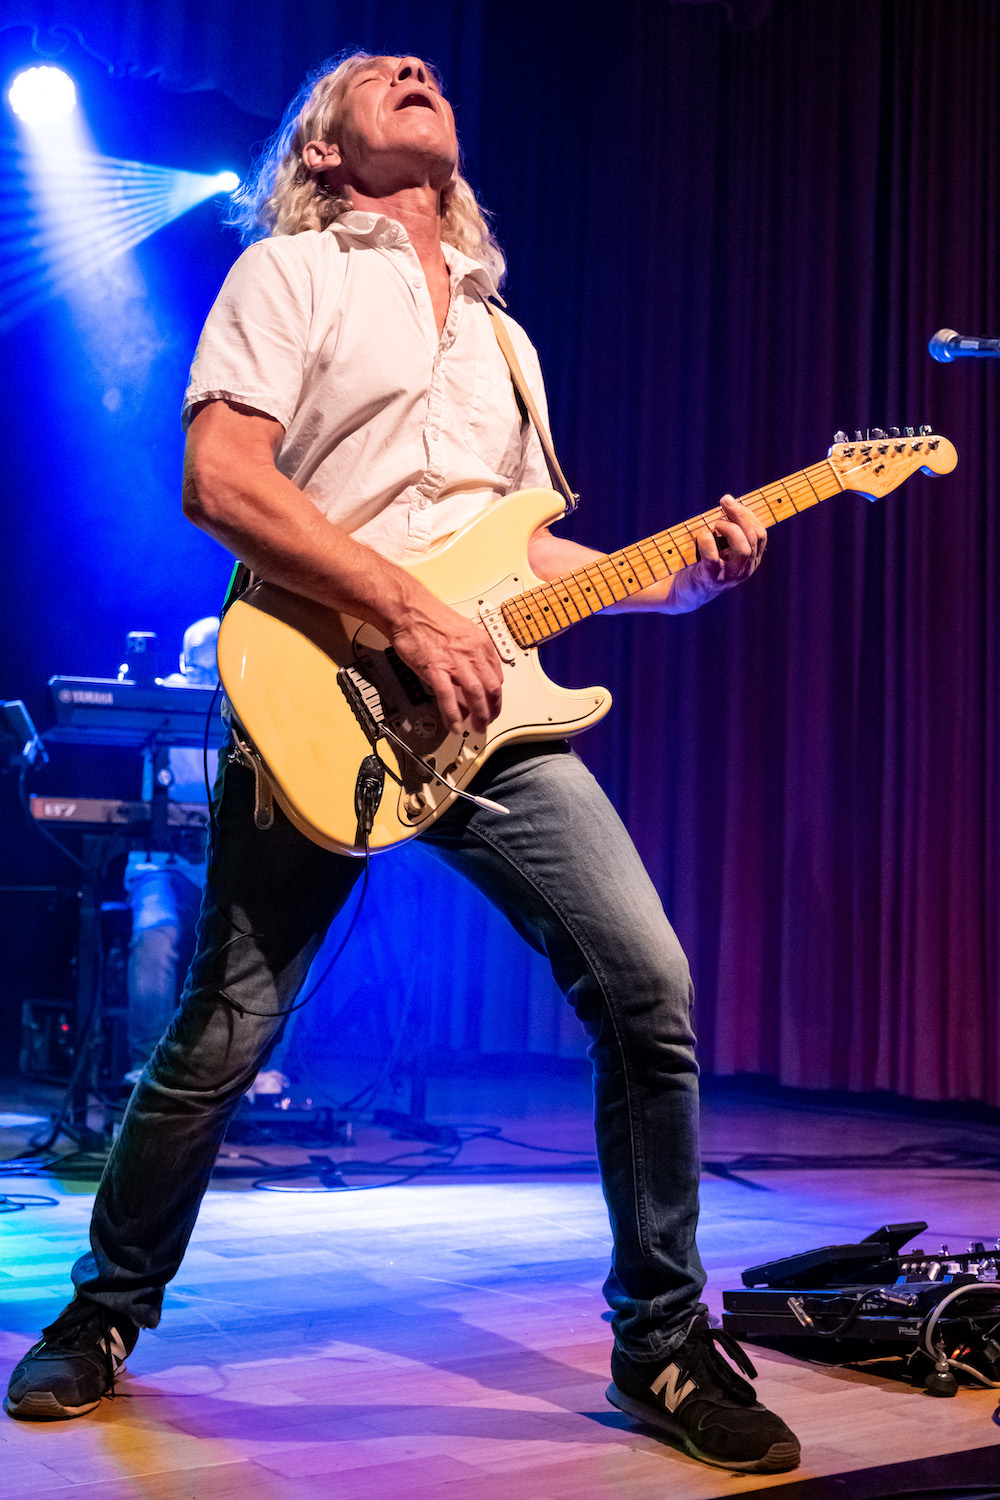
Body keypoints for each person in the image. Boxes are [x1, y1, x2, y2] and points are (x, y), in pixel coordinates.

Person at [5, 53, 799, 1474]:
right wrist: (403, 613)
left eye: (423, 68)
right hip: (321, 690)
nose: (414, 69)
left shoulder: (505, 338)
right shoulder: (290, 274)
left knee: (649, 989)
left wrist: (670, 580)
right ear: (322, 149)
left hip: (489, 719)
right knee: (225, 1029)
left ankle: (664, 1340)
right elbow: (222, 481)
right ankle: (105, 1310)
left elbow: (517, 556)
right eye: (375, 74)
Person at [122, 617, 220, 1079]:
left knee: (275, 938)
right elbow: (130, 696)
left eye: (215, 673)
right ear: (183, 663)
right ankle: (148, 1065)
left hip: (222, 859)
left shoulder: (246, 705)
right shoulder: (164, 697)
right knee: (154, 933)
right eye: (198, 671)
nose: (205, 683)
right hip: (160, 861)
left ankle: (259, 1070)